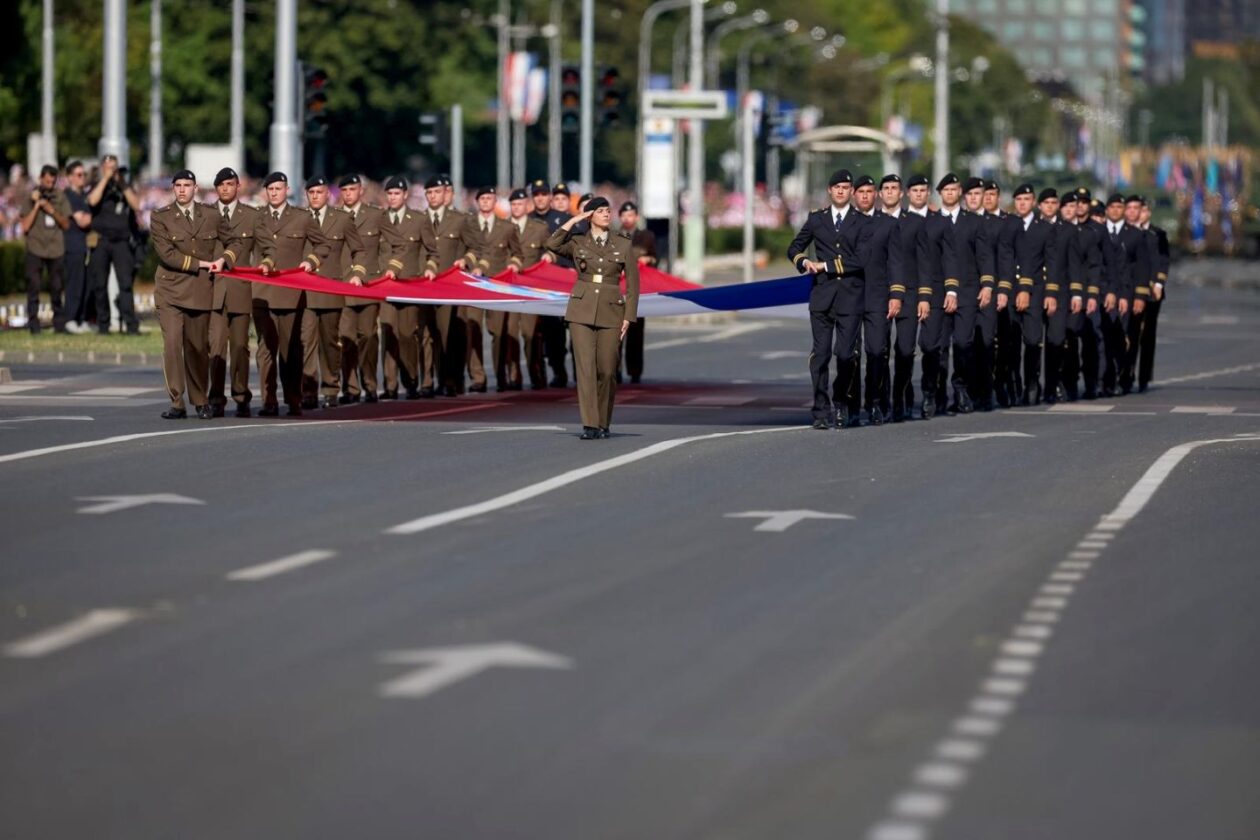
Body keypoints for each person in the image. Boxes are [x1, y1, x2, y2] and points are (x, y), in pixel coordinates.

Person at [544, 197, 639, 439]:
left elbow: (633, 285)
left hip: (611, 310)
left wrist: (629, 316)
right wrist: (575, 219)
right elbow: (552, 243)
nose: (606, 214)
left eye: (608, 210)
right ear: (590, 216)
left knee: (607, 370)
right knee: (585, 368)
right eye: (600, 211)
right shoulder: (577, 241)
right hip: (581, 309)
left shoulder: (623, 243)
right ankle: (590, 424)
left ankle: (603, 421)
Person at [786, 168, 872, 430]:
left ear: (851, 192)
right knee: (820, 355)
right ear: (830, 190)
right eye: (837, 188)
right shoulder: (817, 219)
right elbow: (794, 247)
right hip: (822, 297)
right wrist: (804, 262)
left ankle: (841, 400)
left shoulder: (862, 221)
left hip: (850, 298)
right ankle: (821, 410)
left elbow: (861, 259)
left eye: (846, 188)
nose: (841, 191)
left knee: (845, 355)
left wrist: (825, 265)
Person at [149, 169, 240, 420]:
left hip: (200, 289)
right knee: (172, 343)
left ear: (195, 188)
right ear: (173, 188)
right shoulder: (161, 217)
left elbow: (235, 242)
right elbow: (167, 254)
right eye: (177, 185)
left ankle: (200, 400)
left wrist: (224, 260)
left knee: (197, 348)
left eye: (186, 185)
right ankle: (177, 401)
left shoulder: (211, 215)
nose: (182, 190)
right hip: (170, 289)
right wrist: (201, 263)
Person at [253, 171, 332, 416]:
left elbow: (323, 245)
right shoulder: (256, 217)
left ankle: (293, 399)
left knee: (291, 350)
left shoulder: (301, 217)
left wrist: (311, 261)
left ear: (287, 190)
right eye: (270, 189)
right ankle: (268, 400)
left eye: (278, 188)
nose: (274, 193)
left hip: (290, 294)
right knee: (265, 350)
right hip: (262, 294)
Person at [300, 176, 366, 409]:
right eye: (311, 192)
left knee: (330, 343)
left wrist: (357, 274)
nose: (315, 196)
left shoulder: (342, 219)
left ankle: (330, 388)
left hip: (331, 290)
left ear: (328, 194)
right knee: (306, 342)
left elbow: (359, 250)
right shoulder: (299, 218)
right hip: (305, 291)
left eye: (319, 192)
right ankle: (308, 391)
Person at [420, 175, 485, 395]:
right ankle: (426, 381)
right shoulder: (418, 219)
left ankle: (449, 379)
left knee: (448, 333)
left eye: (437, 192)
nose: (433, 196)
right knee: (425, 335)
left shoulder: (460, 220)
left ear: (446, 193)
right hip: (423, 286)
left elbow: (475, 248)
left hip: (449, 287)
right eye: (429, 192)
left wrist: (465, 261)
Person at [938, 175, 994, 415]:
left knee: (963, 342)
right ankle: (938, 395)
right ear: (940, 193)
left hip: (968, 292)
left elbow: (984, 255)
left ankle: (961, 388)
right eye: (946, 190)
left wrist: (987, 285)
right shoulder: (932, 221)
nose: (950, 193)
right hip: (938, 293)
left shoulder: (973, 221)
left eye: (954, 189)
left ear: (959, 192)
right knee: (939, 346)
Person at [208, 167, 260, 417]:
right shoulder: (205, 214)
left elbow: (266, 247)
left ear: (238, 186)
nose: (225, 188)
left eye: (229, 184)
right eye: (221, 185)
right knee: (216, 347)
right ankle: (216, 398)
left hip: (240, 290)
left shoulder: (251, 216)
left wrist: (267, 264)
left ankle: (241, 395)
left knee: (240, 347)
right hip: (213, 290)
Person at [850, 174, 902, 425]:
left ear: (876, 195)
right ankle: (851, 407)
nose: (865, 196)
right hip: (849, 297)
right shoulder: (844, 223)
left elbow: (896, 262)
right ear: (854, 195)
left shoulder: (888, 224)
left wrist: (896, 295)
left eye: (869, 191)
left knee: (877, 350)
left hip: (878, 297)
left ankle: (875, 402)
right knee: (849, 353)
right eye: (861, 192)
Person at [378, 174, 434, 400]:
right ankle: (390, 385)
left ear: (405, 195)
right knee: (388, 332)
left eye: (397, 193)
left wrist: (429, 268)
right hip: (386, 286)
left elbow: (432, 251)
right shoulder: (379, 219)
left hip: (410, 286)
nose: (393, 197)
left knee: (407, 334)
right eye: (390, 194)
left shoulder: (419, 220)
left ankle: (411, 379)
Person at [1000, 183, 1052, 405]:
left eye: (1027, 199)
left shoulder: (1044, 228)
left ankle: (1032, 381)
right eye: (1019, 199)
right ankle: (1014, 382)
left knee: (1032, 340)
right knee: (1011, 341)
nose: (1022, 203)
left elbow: (1050, 262)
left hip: (1035, 290)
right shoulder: (1007, 224)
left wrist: (1045, 292)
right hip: (1010, 289)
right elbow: (1004, 257)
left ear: (1034, 202)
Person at [337, 174, 387, 403]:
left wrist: (387, 270)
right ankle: (350, 387)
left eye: (352, 189)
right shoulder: (335, 217)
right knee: (346, 338)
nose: (348, 194)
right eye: (344, 190)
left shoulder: (376, 215)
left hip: (368, 286)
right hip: (343, 286)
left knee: (368, 336)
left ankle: (370, 383)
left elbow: (393, 244)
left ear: (361, 191)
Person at [474, 186, 526, 391]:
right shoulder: (468, 224)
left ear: (495, 201)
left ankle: (500, 376)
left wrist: (513, 264)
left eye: (489, 198)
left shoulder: (506, 228)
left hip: (497, 286)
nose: (486, 201)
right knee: (472, 330)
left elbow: (518, 254)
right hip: (473, 286)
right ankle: (478, 378)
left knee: (498, 332)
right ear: (477, 202)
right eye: (482, 198)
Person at [890, 174, 931, 423]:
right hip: (880, 295)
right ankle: (881, 401)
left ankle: (901, 395)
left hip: (910, 294)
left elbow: (925, 262)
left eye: (894, 188)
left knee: (905, 349)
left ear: (900, 193)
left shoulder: (915, 222)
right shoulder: (872, 221)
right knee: (878, 350)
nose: (890, 192)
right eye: (886, 188)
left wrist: (924, 296)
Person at [86, 154, 142, 334]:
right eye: (109, 167)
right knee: (100, 284)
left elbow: (136, 205)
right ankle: (103, 324)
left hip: (121, 241)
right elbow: (92, 200)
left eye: (114, 167)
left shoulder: (124, 186)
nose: (112, 171)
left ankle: (131, 325)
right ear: (103, 168)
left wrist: (122, 184)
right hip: (101, 240)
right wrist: (106, 179)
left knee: (125, 284)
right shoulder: (97, 185)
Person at [510, 186, 555, 389]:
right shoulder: (503, 227)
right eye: (513, 204)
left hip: (530, 291)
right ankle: (514, 377)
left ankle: (536, 374)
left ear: (526, 205)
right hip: (508, 291)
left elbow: (552, 248)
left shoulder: (538, 228)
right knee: (510, 334)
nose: (516, 207)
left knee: (530, 335)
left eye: (520, 204)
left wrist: (549, 256)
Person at [19, 164, 71, 333]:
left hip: (56, 248)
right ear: (41, 179)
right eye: (47, 181)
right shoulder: (30, 197)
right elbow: (25, 226)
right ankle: (34, 325)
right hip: (35, 248)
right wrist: (36, 206)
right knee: (33, 287)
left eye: (52, 182)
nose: (50, 185)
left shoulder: (60, 197)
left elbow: (66, 224)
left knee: (57, 288)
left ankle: (59, 324)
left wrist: (51, 210)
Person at [531, 179, 573, 388]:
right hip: (537, 284)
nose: (540, 198)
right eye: (536, 194)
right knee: (545, 331)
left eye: (543, 194)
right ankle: (550, 371)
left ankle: (569, 370)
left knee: (564, 328)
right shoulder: (527, 220)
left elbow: (573, 249)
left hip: (563, 281)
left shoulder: (564, 220)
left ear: (549, 197)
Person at [1118, 195, 1156, 394]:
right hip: (1120, 290)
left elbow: (1152, 263)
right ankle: (1119, 373)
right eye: (1129, 208)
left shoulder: (1152, 235)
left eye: (1137, 208)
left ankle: (1132, 373)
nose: (1133, 212)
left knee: (1136, 335)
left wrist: (1149, 289)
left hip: (1138, 291)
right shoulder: (1116, 232)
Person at [616, 200, 656, 384]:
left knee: (636, 333)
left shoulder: (646, 236)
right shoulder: (612, 236)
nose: (627, 218)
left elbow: (655, 258)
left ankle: (635, 371)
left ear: (637, 217)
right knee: (615, 332)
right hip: (617, 290)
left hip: (638, 290)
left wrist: (648, 259)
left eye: (630, 215)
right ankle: (614, 369)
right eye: (624, 215)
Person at [1137, 200, 1169, 392]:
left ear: (1148, 213)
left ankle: (1144, 376)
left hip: (1152, 291)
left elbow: (1163, 261)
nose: (1140, 214)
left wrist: (1158, 284)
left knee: (1148, 335)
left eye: (1143, 210)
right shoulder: (1130, 232)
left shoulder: (1158, 234)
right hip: (1133, 291)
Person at [62, 161, 94, 333]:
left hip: (86, 245)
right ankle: (70, 318)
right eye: (79, 175)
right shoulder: (68, 196)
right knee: (74, 283)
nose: (82, 178)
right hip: (73, 245)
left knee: (86, 284)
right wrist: (99, 217)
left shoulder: (84, 196)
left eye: (84, 174)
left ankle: (82, 318)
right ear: (69, 177)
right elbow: (82, 221)